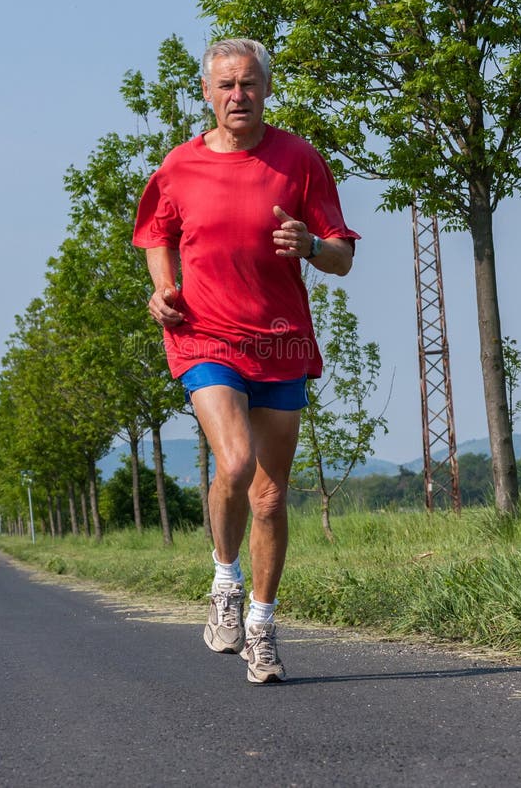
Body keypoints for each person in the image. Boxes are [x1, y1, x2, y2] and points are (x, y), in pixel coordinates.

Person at [133, 38, 359, 683]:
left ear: (266, 88)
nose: (239, 95)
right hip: (205, 335)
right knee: (234, 462)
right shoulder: (179, 165)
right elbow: (156, 234)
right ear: (207, 92)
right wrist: (163, 287)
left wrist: (311, 245)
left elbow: (342, 255)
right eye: (227, 85)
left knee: (269, 495)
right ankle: (224, 581)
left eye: (250, 83)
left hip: (280, 339)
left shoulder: (300, 160)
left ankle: (262, 625)